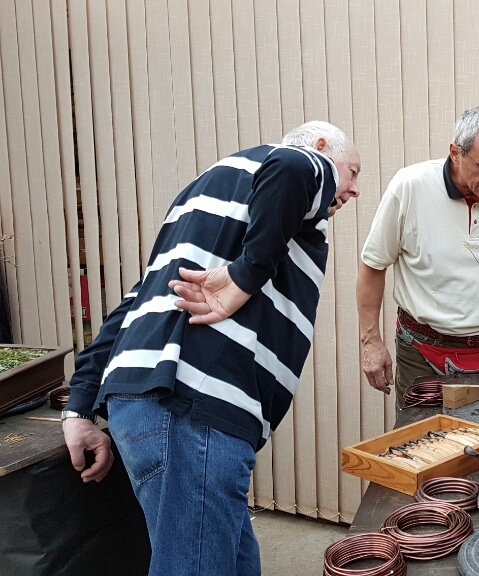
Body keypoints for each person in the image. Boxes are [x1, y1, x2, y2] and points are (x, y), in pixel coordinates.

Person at [61, 121, 361, 576]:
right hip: (190, 410)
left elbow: (136, 302)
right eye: (352, 172)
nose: (354, 189)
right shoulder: (293, 165)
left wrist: (78, 408)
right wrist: (245, 276)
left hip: (146, 407)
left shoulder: (200, 195)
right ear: (321, 147)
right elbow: (292, 164)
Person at [358, 106, 479, 408]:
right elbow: (373, 265)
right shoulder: (410, 186)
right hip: (422, 351)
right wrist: (370, 342)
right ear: (455, 153)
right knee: (422, 435)